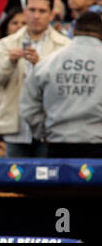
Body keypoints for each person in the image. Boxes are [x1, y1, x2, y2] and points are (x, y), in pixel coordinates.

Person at [0, 0, 70, 157]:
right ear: (25, 12)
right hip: (16, 129)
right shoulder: (6, 43)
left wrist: (40, 64)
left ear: (51, 15)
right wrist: (9, 62)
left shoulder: (65, 45)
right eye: (32, 10)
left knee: (48, 182)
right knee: (15, 183)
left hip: (50, 129)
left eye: (42, 11)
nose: (36, 16)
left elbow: (65, 86)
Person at [20, 11, 102, 158]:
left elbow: (28, 106)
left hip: (58, 143)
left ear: (74, 30)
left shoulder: (48, 62)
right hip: (97, 143)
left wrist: (44, 133)